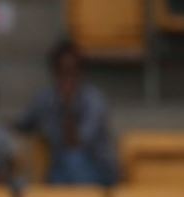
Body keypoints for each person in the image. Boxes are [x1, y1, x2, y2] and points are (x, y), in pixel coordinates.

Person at [16, 39, 116, 186]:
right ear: (55, 73)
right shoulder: (45, 99)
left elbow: (75, 144)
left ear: (80, 72)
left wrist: (67, 107)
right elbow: (22, 125)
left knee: (73, 159)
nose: (67, 78)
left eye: (72, 71)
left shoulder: (94, 100)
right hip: (60, 169)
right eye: (61, 72)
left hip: (98, 169)